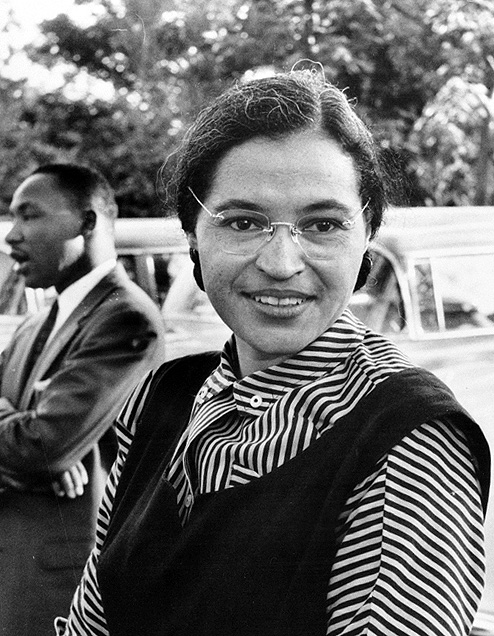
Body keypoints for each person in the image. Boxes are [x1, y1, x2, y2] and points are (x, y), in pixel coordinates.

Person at [57, 70, 490, 636]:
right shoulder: (165, 397)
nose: (283, 263)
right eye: (243, 221)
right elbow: (92, 622)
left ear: (366, 238)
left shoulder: (406, 436)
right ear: (192, 236)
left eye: (323, 225)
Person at [0, 163, 166, 636]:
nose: (13, 236)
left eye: (29, 216)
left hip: (60, 584)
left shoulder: (126, 320)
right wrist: (29, 436)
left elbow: (42, 447)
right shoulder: (37, 322)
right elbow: (40, 449)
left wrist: (41, 445)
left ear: (87, 222)